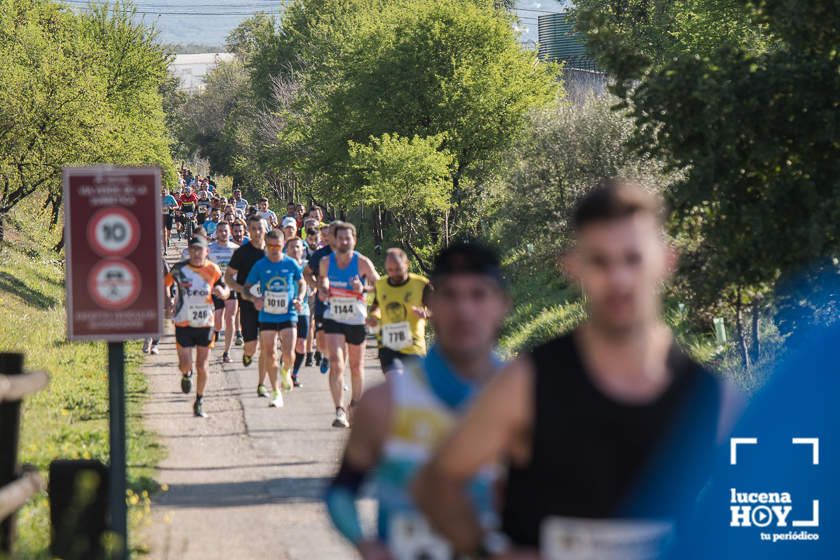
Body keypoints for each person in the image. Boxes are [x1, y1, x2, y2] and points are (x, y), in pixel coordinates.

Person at [413, 179, 740, 557]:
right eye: (600, 261)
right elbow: (436, 482)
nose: (619, 280)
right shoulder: (528, 382)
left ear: (666, 261)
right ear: (574, 267)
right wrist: (488, 552)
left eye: (633, 259)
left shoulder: (711, 395)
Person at [325, 241, 508, 559]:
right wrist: (365, 544)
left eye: (478, 295)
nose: (464, 310)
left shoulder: (527, 397)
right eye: (450, 295)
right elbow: (340, 492)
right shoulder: (384, 403)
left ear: (503, 304)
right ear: (434, 304)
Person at [318, 221, 380, 428]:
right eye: (340, 238)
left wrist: (363, 288)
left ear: (354, 240)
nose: (344, 241)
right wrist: (324, 288)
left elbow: (380, 287)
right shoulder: (326, 262)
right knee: (336, 362)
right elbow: (322, 283)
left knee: (355, 366)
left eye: (348, 238)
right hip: (334, 316)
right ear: (334, 240)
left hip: (355, 317)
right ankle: (339, 410)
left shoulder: (362, 262)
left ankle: (355, 404)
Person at [165, 235, 229, 418]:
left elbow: (225, 290)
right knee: (185, 364)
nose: (196, 253)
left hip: (205, 323)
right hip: (183, 322)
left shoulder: (213, 269)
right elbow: (166, 284)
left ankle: (199, 400)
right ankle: (187, 374)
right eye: (193, 250)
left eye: (199, 250)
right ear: (189, 251)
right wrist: (169, 298)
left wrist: (222, 293)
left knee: (202, 364)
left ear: (206, 252)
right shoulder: (180, 269)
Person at [243, 229, 306, 407]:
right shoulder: (260, 265)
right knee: (269, 354)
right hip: (267, 315)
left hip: (288, 313)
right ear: (266, 245)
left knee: (288, 354)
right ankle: (276, 392)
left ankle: (286, 371)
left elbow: (301, 283)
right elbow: (246, 288)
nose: (273, 249)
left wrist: (300, 298)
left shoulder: (291, 263)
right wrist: (255, 298)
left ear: (282, 244)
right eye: (270, 246)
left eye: (277, 245)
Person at [367, 248, 431, 374]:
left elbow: (439, 309)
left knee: (414, 385)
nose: (394, 274)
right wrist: (373, 317)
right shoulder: (381, 284)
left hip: (413, 344)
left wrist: (426, 313)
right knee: (395, 383)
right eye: (390, 270)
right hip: (387, 343)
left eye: (398, 269)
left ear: (407, 264)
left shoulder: (421, 284)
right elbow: (376, 306)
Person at [226, 216, 269, 395]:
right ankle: (247, 354)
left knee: (268, 347)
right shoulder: (242, 252)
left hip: (271, 307)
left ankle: (261, 384)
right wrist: (241, 290)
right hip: (248, 304)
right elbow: (228, 277)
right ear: (248, 231)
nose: (257, 232)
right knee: (251, 345)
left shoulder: (273, 251)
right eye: (254, 228)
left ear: (265, 230)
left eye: (260, 228)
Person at [304, 223, 335, 372]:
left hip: (342, 301)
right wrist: (316, 286)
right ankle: (322, 353)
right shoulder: (320, 254)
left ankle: (335, 365)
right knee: (320, 334)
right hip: (322, 299)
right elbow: (306, 272)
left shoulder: (350, 254)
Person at [208, 222, 240, 363]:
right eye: (220, 230)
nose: (223, 233)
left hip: (232, 287)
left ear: (230, 232)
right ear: (217, 232)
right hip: (215, 288)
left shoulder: (235, 249)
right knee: (218, 320)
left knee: (230, 318)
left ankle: (227, 352)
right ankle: (215, 332)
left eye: (226, 231)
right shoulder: (210, 249)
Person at [285, 237, 311, 388]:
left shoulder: (307, 266)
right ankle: (285, 371)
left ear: (303, 250)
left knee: (301, 344)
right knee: (289, 345)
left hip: (303, 308)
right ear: (286, 250)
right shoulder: (282, 265)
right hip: (285, 310)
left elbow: (316, 278)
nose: (295, 250)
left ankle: (294, 374)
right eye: (292, 247)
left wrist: (314, 286)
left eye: (298, 247)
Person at [161, 188, 179, 253]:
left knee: (169, 231)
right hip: (162, 216)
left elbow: (177, 206)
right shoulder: (158, 197)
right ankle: (165, 249)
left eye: (164, 192)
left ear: (167, 192)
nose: (163, 194)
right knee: (164, 232)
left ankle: (168, 239)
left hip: (169, 216)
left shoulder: (170, 197)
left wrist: (172, 207)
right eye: (162, 192)